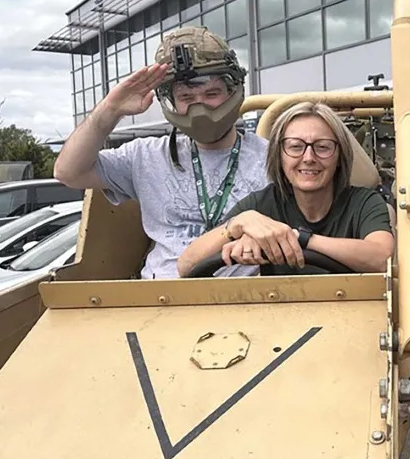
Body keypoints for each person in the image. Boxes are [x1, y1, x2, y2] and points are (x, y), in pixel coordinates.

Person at [53, 26, 269, 279]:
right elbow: (68, 172)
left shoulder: (273, 157)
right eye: (186, 97)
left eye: (212, 94)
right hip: (160, 299)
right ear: (171, 102)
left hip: (247, 302)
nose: (199, 107)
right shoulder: (144, 156)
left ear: (234, 92)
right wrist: (111, 109)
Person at [177, 101, 393, 277]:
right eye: (295, 147)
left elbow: (383, 259)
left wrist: (299, 238)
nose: (309, 158)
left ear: (339, 156)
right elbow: (186, 265)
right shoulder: (262, 204)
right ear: (278, 156)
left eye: (322, 147)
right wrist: (240, 224)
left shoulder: (364, 203)